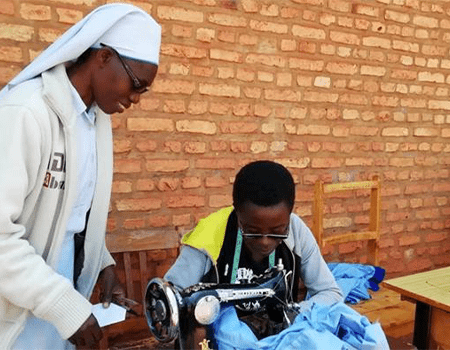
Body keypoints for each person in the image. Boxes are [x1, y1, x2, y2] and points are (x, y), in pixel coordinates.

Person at [0, 3, 161, 349]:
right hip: (14, 304)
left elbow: (74, 214)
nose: (134, 98)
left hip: (63, 287)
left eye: (142, 92)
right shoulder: (26, 113)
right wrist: (62, 305)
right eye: (135, 84)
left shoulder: (95, 122)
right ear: (103, 57)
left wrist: (100, 263)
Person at [164, 160, 344, 348]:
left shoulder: (296, 231)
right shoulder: (208, 238)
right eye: (252, 231)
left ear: (289, 215)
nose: (265, 242)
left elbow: (329, 292)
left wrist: (294, 311)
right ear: (237, 213)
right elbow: (171, 300)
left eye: (277, 231)